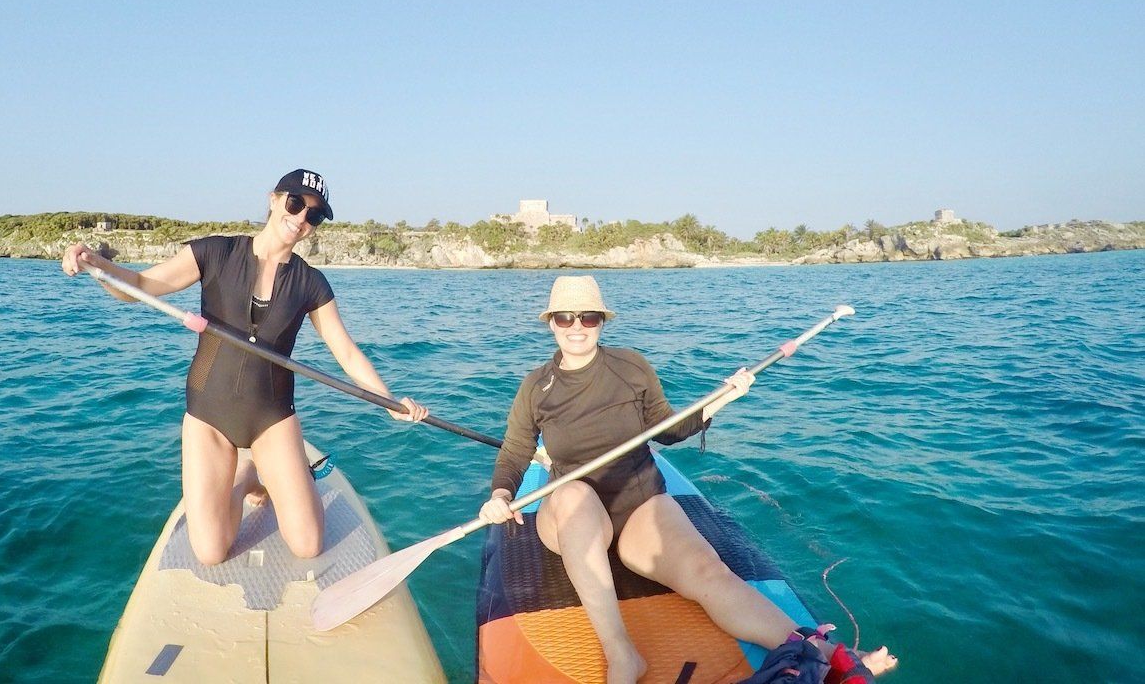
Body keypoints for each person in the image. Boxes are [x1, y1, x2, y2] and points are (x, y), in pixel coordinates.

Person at [478, 276, 895, 684]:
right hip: (572, 512)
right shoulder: (536, 386)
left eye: (587, 317)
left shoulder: (630, 366)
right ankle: (621, 653)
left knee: (706, 570)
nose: (577, 328)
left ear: (601, 321)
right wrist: (500, 494)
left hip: (638, 504)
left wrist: (720, 400)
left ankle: (819, 653)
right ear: (551, 322)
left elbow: (668, 429)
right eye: (565, 318)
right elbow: (515, 450)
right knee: (573, 495)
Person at [63, 169, 427, 566]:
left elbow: (346, 352)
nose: (302, 218)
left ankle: (264, 469)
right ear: (273, 199)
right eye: (295, 204)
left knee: (308, 544)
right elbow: (140, 287)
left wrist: (389, 401)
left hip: (272, 418)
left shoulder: (311, 283)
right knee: (211, 552)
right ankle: (246, 478)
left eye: (315, 215)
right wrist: (97, 266)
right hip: (208, 414)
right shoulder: (215, 252)